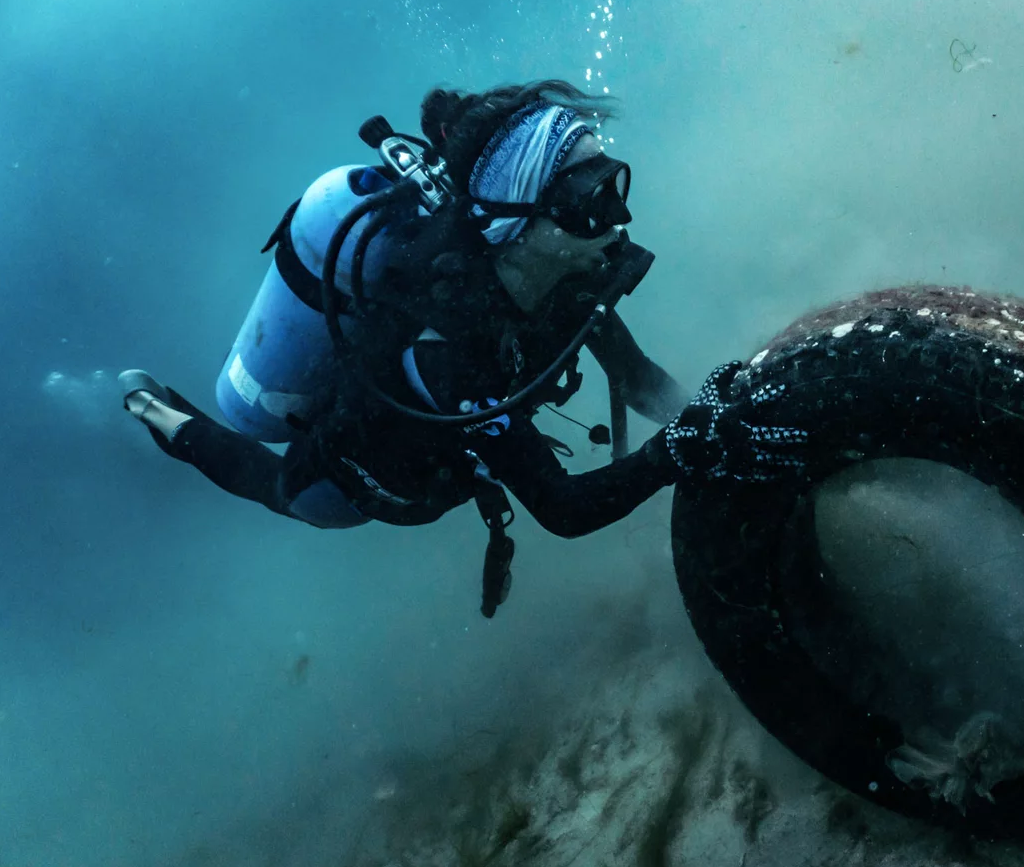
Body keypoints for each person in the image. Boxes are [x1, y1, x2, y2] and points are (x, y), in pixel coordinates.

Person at [120, 80, 807, 616]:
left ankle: (163, 415)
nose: (617, 217)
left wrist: (713, 417)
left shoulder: (564, 283)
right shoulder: (445, 354)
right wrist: (681, 449)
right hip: (359, 485)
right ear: (518, 221)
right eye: (588, 199)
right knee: (277, 488)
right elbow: (562, 509)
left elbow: (634, 379)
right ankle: (164, 418)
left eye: (613, 183)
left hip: (457, 446)